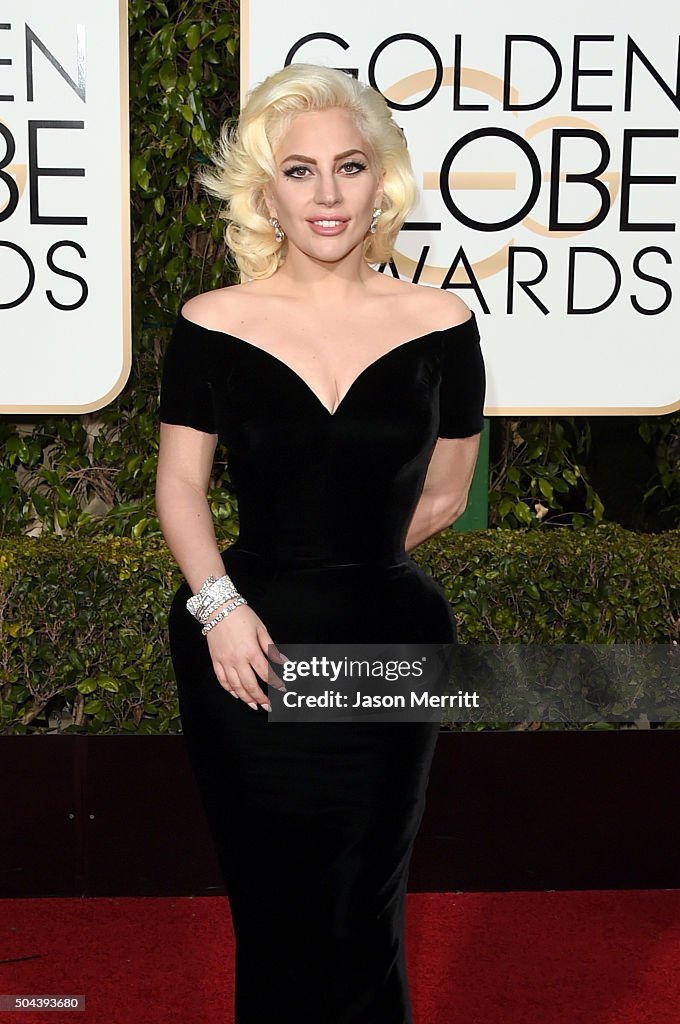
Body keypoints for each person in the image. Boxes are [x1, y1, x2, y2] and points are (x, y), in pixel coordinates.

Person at [155, 62, 486, 1024]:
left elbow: (451, 489)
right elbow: (179, 490)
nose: (328, 195)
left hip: (389, 643)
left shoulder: (442, 324)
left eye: (349, 167)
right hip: (243, 651)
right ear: (266, 190)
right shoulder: (213, 324)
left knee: (363, 905)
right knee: (272, 907)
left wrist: (357, 560)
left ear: (381, 180)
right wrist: (219, 608)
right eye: (300, 172)